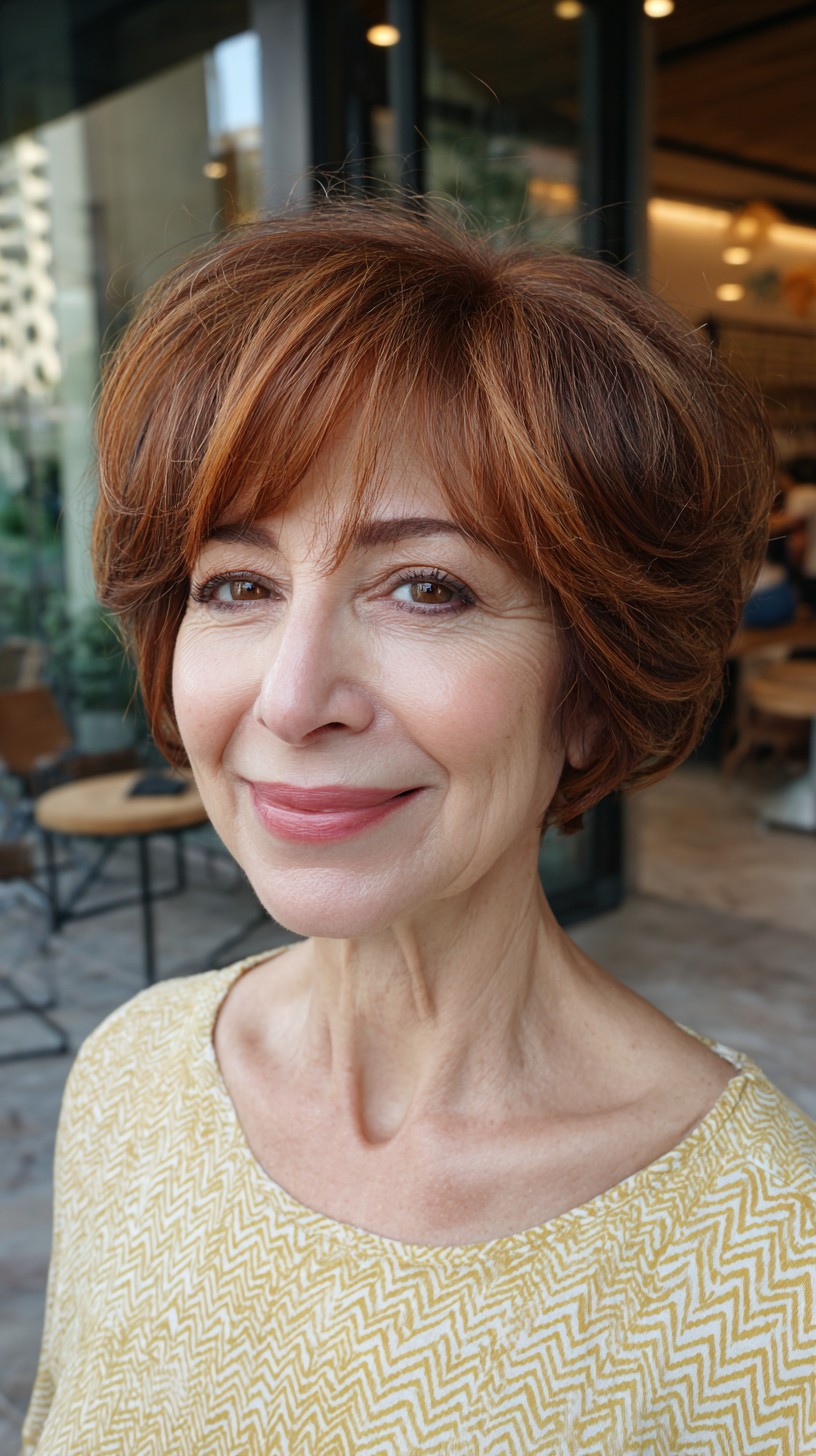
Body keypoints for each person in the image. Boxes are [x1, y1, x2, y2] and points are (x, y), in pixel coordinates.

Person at [23, 204, 816, 1455]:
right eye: (238, 584)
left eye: (427, 587)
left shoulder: (768, 1264)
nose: (293, 699)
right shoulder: (132, 1079)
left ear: (591, 688)